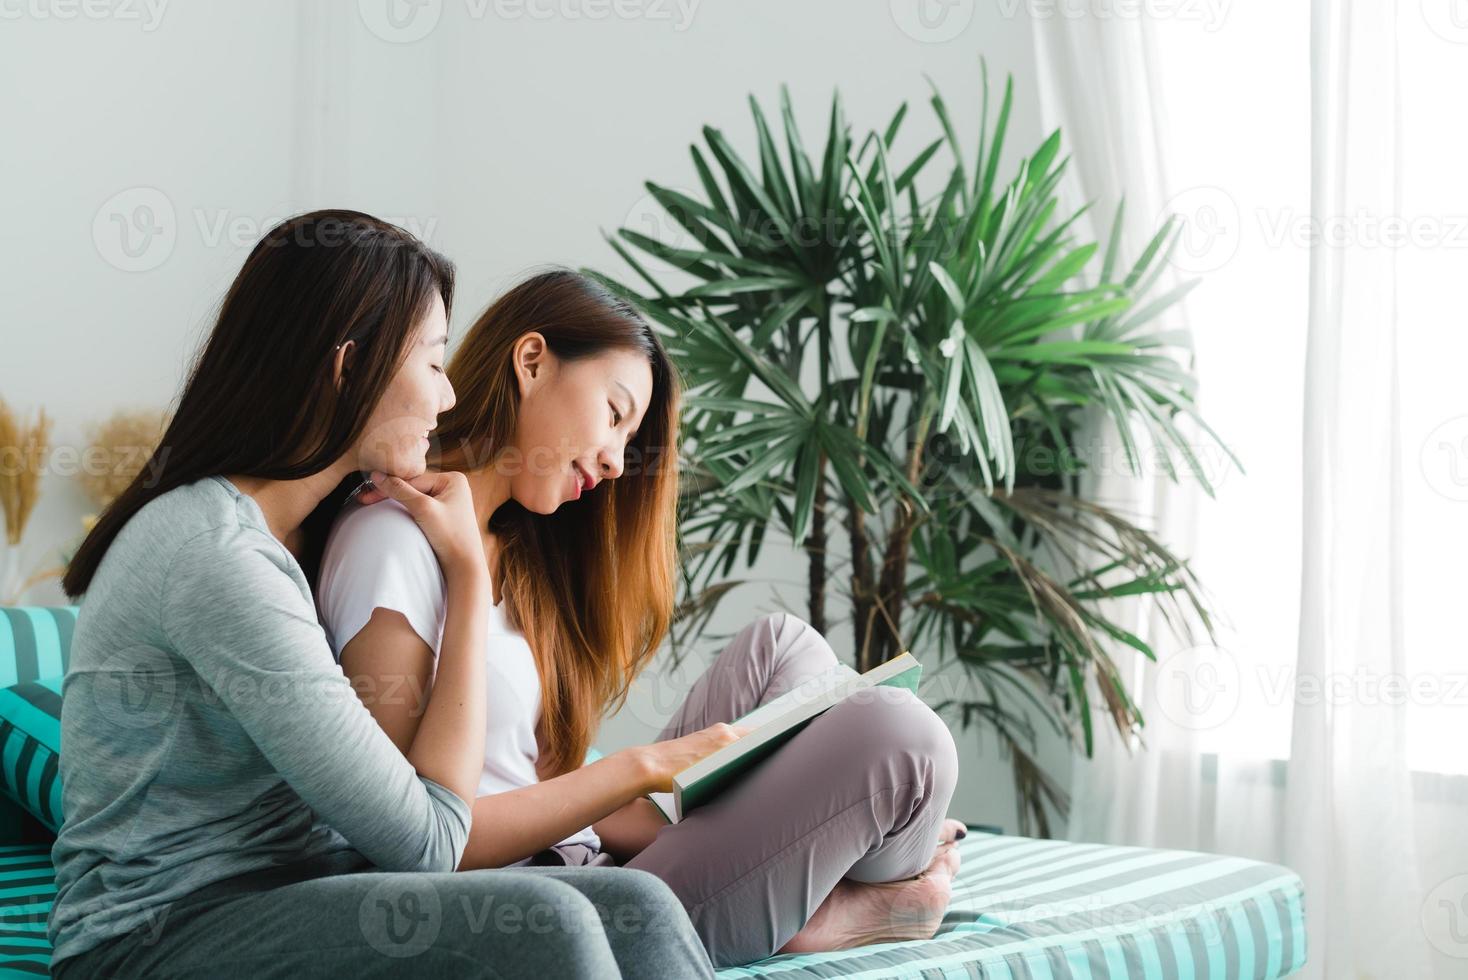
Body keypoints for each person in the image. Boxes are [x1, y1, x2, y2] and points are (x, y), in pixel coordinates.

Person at [49, 214, 714, 979]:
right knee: (550, 917)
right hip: (156, 937)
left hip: (295, 897)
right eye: (433, 363)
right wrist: (468, 577)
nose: (451, 391)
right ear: (348, 367)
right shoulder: (218, 558)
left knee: (641, 908)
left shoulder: (296, 538)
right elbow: (429, 841)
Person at [315, 268, 964, 969]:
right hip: (531, 905)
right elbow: (416, 842)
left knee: (782, 647)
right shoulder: (390, 540)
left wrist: (739, 822)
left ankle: (788, 892)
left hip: (591, 858)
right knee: (903, 738)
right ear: (531, 363)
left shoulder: (519, 553)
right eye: (615, 414)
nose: (620, 463)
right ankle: (821, 909)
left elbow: (561, 786)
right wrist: (641, 767)